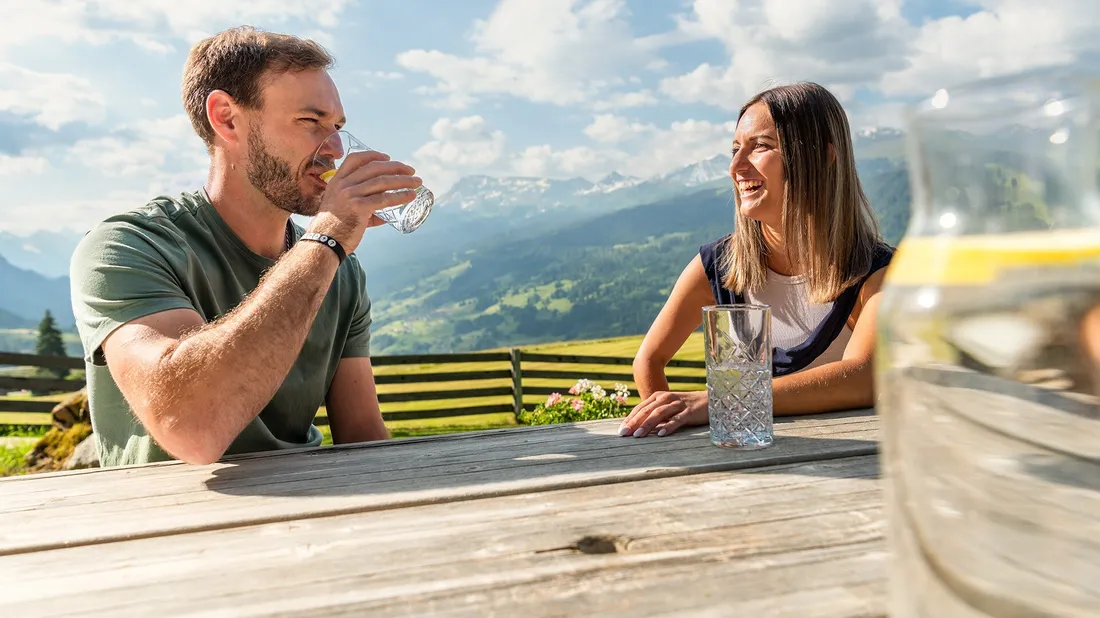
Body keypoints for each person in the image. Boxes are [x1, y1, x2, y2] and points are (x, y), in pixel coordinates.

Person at [69, 26, 423, 466]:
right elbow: (190, 426)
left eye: (337, 127)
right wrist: (327, 239)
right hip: (169, 508)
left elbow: (363, 436)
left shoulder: (340, 269)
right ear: (226, 118)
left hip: (315, 504)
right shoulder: (128, 247)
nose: (335, 149)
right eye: (310, 122)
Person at [620, 82, 893, 438]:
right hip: (747, 466)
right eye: (735, 149)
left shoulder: (877, 273)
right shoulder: (719, 266)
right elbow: (649, 359)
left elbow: (864, 377)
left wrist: (720, 401)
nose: (736, 166)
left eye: (760, 146)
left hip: (847, 463)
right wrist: (667, 428)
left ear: (823, 157)